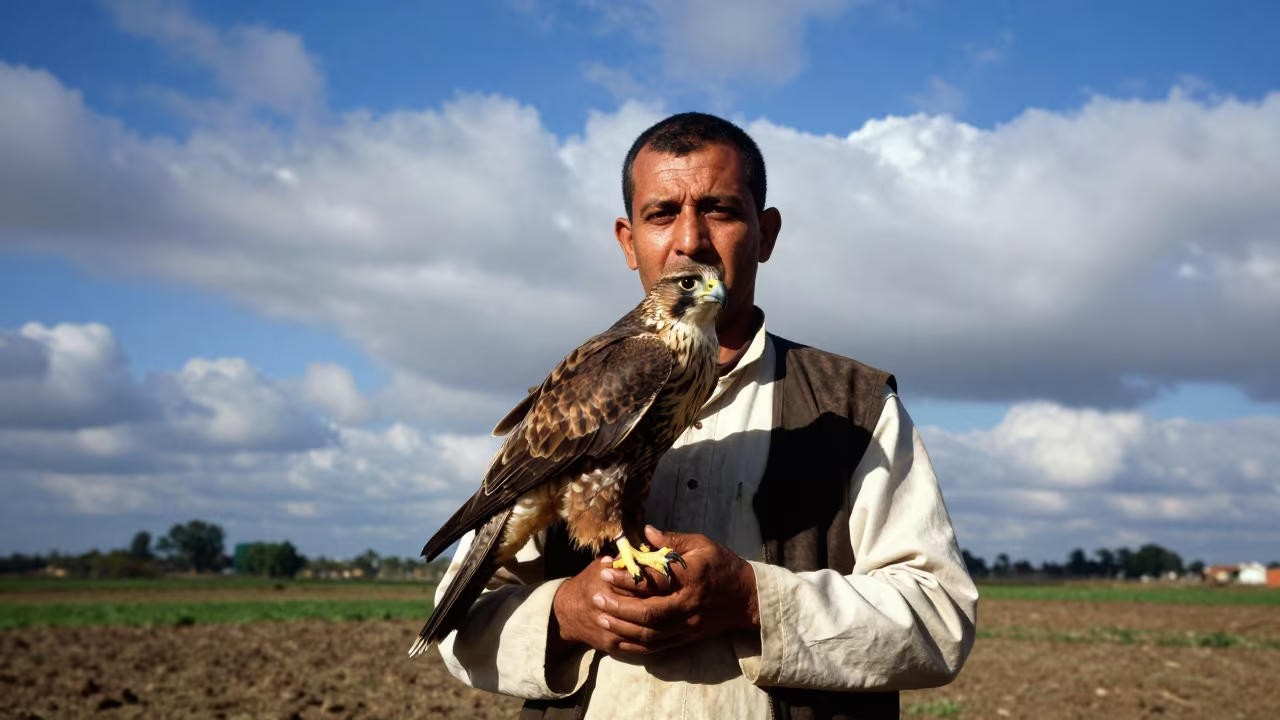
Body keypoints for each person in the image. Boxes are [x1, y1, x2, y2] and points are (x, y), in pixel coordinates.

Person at [435, 112, 978, 720]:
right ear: (626, 239)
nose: (690, 240)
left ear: (766, 234)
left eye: (719, 210)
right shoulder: (616, 365)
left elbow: (941, 620)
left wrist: (752, 599)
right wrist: (566, 613)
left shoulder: (853, 405)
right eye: (662, 213)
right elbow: (463, 626)